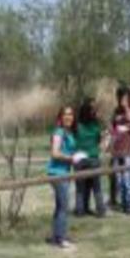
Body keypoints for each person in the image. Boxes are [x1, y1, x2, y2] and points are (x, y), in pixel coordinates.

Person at [47, 106, 85, 249]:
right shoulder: (59, 132)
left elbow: (69, 151)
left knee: (60, 206)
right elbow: (55, 153)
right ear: (60, 117)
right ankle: (61, 239)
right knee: (64, 207)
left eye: (71, 114)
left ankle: (57, 236)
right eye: (65, 114)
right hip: (57, 173)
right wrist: (71, 158)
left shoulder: (69, 133)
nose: (68, 117)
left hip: (65, 173)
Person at [74, 98, 107, 217]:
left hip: (79, 159)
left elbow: (74, 139)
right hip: (93, 157)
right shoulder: (95, 125)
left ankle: (80, 210)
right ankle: (100, 210)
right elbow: (99, 140)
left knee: (80, 186)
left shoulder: (77, 125)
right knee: (96, 186)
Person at [110, 97, 130, 215]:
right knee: (119, 181)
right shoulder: (115, 127)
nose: (120, 117)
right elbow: (111, 130)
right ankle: (124, 204)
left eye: (122, 115)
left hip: (127, 155)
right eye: (118, 115)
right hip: (117, 154)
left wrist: (126, 109)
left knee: (127, 181)